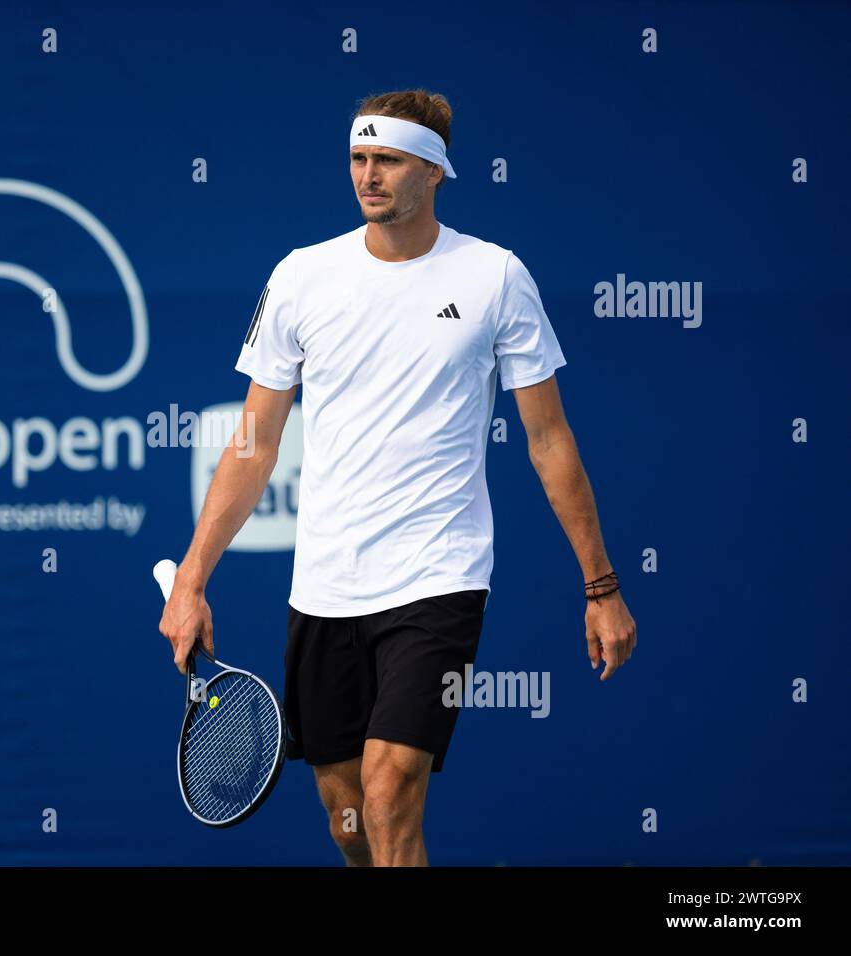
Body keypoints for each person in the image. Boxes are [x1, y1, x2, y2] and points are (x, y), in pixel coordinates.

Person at [158, 89, 637, 866]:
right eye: (358, 157)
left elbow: (548, 441)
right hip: (325, 585)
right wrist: (192, 579)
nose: (368, 174)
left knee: (390, 793)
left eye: (387, 159)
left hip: (438, 576)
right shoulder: (302, 277)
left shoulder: (495, 277)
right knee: (347, 813)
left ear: (435, 171)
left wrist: (601, 585)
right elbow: (253, 443)